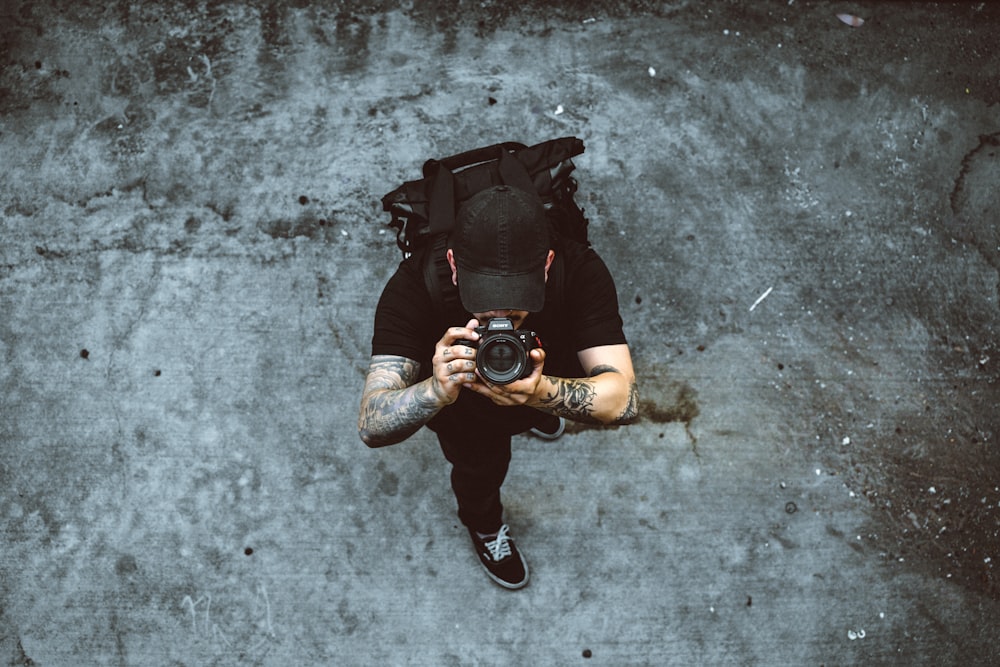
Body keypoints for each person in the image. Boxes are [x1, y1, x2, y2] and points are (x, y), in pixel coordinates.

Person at [358, 184, 639, 589]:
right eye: (484, 297)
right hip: (466, 418)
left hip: (545, 381)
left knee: (554, 404)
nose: (500, 315)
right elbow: (371, 423)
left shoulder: (580, 270)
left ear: (547, 264)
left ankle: (539, 414)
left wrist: (543, 394)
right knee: (479, 475)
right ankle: (485, 526)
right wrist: (436, 390)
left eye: (519, 297)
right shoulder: (414, 287)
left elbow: (625, 400)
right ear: (453, 265)